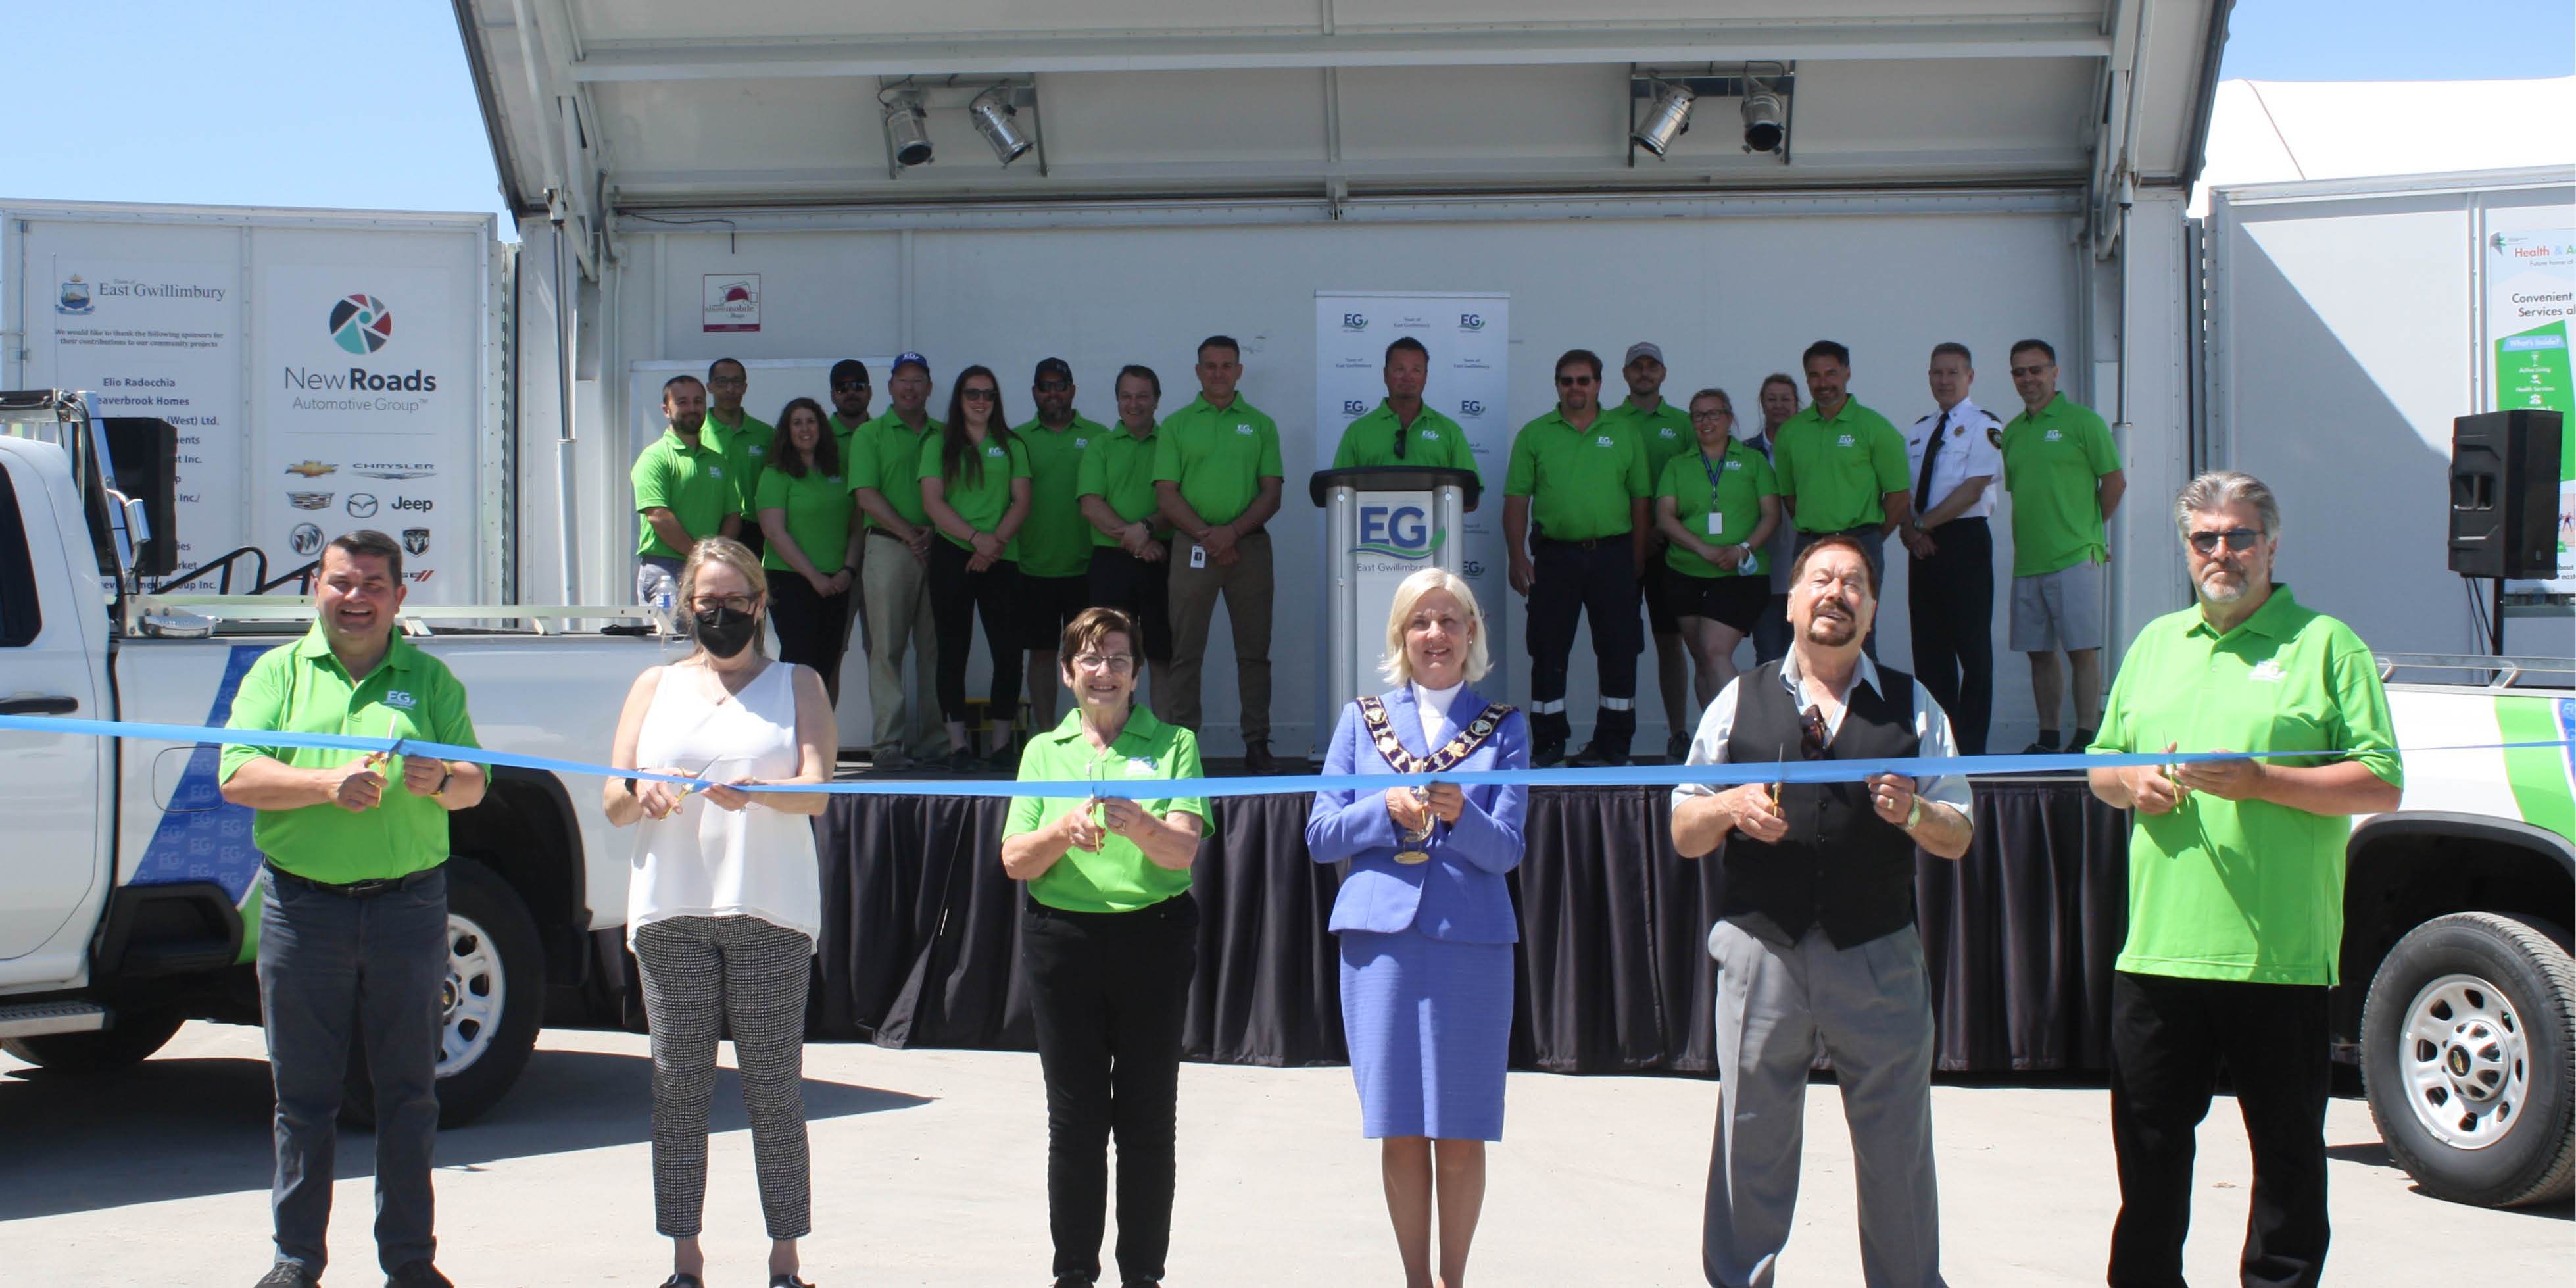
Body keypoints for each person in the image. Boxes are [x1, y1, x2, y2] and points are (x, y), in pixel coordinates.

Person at [2086, 472, 2401, 1288]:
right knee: (2147, 1157)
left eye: (2237, 536)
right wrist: (2133, 782)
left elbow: (2379, 782)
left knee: (2288, 1157)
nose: (2221, 552)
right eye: (2204, 539)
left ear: (2270, 543)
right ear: (2185, 549)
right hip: (2159, 950)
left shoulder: (2326, 643)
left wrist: (2263, 779)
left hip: (2276, 953)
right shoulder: (2154, 642)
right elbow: (2099, 765)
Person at [1669, 534, 1975, 1288]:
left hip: (1876, 952)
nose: (1835, 593)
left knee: (1896, 1144)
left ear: (1870, 609)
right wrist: (1731, 806)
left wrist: (1912, 814)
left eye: (1853, 584)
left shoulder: (1914, 704)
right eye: (1820, 579)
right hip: (1759, 948)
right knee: (1750, 1139)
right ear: (1793, 599)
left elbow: (1959, 832)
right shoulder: (1738, 697)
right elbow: (1681, 828)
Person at [220, 530, 488, 1288]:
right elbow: (236, 774)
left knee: (409, 1095)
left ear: (400, 597)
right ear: (316, 588)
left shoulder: (430, 679)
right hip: (304, 911)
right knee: (303, 1099)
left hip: (409, 909)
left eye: (373, 584)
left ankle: (409, 1260)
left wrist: (440, 779)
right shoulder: (278, 672)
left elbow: (475, 781)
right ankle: (296, 1259)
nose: (356, 597)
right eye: (342, 582)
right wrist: (323, 785)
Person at [603, 537, 835, 1288]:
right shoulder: (653, 684)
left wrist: (756, 789)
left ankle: (785, 1257)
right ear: (687, 605)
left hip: (765, 904)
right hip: (671, 905)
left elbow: (817, 790)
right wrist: (644, 788)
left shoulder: (799, 683)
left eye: (738, 601)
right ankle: (684, 1257)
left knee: (772, 1084)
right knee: (678, 1084)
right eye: (709, 602)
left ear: (760, 604)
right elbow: (611, 799)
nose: (724, 613)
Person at [1305, 568, 1528, 1288]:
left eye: (1450, 620)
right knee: (1399, 1127)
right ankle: (1413, 1279)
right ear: (1400, 636)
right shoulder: (1359, 718)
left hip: (1470, 939)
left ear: (1472, 633)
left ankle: (1454, 1279)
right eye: (1420, 622)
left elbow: (1508, 848)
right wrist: (1383, 809)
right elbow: (1320, 834)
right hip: (1381, 944)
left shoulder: (1506, 727)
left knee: (1460, 1132)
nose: (1435, 634)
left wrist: (1462, 813)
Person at [1000, 607, 1209, 1288]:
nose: (1104, 671)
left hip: (1152, 937)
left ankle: (1143, 1272)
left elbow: (1182, 849)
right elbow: (1015, 859)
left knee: (1148, 1117)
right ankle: (1073, 1271)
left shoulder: (1174, 742)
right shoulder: (1042, 751)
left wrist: (1139, 823)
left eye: (1118, 658)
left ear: (1137, 673)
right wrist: (1063, 830)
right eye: (1089, 658)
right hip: (1064, 944)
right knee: (1076, 1119)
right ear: (1067, 674)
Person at [1503, 347, 1651, 766]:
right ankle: (1549, 743)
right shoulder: (1535, 434)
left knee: (1619, 651)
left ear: (1599, 385)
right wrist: (1517, 555)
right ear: (1557, 386)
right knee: (1548, 650)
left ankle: (1614, 744)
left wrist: (1637, 560)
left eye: (1583, 380)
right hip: (1555, 558)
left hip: (1614, 556)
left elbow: (1641, 500)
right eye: (1567, 381)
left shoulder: (1624, 432)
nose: (1575, 388)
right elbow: (1516, 500)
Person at [1154, 335, 1286, 772]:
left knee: (1253, 651)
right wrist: (1209, 536)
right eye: (1209, 366)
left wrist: (1231, 532)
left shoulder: (1261, 424)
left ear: (1239, 371)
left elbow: (1271, 493)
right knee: (1185, 650)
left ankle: (1256, 742)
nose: (1218, 373)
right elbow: (1166, 494)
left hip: (1248, 548)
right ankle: (1184, 745)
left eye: (1226, 365)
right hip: (1192, 547)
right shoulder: (1175, 425)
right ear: (1197, 372)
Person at [2000, 338, 2126, 755]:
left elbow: (2114, 481)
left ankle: (2087, 733)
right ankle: (2049, 735)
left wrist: (2090, 529)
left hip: (2075, 556)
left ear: (2055, 372)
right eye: (2019, 371)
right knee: (2038, 654)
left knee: (2081, 651)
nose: (2028, 379)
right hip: (2029, 561)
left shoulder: (2083, 422)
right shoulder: (2013, 432)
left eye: (2036, 370)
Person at [921, 364, 1033, 770]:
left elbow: (1022, 500)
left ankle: (1002, 745)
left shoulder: (1012, 444)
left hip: (1003, 556)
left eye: (988, 394)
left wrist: (994, 543)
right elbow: (933, 502)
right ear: (959, 399)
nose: (981, 401)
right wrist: (975, 539)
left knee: (1007, 651)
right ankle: (958, 747)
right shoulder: (939, 444)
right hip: (954, 554)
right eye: (973, 394)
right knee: (953, 651)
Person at [1771, 340, 1910, 656]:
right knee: (1809, 631)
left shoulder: (1875, 428)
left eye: (1831, 373)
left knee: (1859, 634)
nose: (1824, 384)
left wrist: (1869, 537)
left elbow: (1899, 497)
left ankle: (1865, 706)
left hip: (1862, 542)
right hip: (1809, 543)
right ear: (1807, 379)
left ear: (1847, 373)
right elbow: (1790, 497)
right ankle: (1812, 707)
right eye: (1815, 376)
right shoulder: (1791, 433)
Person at [1654, 387, 1780, 724]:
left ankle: (1746, 733)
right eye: (1697, 415)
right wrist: (1704, 549)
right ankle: (1715, 744)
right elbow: (1664, 517)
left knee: (1714, 651)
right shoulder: (1678, 465)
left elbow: (1771, 514)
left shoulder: (1753, 461)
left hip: (1740, 573)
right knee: (1702, 658)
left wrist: (1743, 549)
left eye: (1713, 414)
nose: (1705, 421)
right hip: (1686, 572)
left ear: (1729, 418)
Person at [1901, 343, 2003, 756]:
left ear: (1970, 377)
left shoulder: (1985, 425)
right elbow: (1904, 494)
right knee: (1929, 650)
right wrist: (1910, 531)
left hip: (1964, 540)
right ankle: (1939, 747)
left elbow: (1974, 488)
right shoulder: (1919, 429)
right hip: (1922, 545)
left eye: (1952, 373)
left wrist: (1923, 525)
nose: (1943, 381)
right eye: (1936, 373)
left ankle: (1972, 748)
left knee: (1973, 651)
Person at [1599, 341, 1697, 760]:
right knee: (1618, 642)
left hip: (1670, 548)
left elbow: (1697, 477)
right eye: (1636, 366)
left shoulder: (1683, 423)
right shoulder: (1606, 422)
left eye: (1651, 366)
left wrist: (1664, 529)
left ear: (1663, 373)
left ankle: (1678, 733)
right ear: (1625, 375)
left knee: (1669, 641)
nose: (1644, 373)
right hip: (1620, 545)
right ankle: (1616, 733)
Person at [850, 352, 944, 769]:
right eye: (902, 380)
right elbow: (865, 494)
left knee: (937, 648)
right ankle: (887, 744)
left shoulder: (946, 434)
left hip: (941, 547)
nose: (910, 387)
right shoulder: (870, 434)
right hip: (889, 547)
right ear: (890, 387)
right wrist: (911, 533)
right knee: (886, 647)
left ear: (929, 387)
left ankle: (936, 743)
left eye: (918, 380)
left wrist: (933, 535)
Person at [1017, 358, 1108, 730]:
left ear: (1072, 390)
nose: (1052, 393)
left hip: (1086, 565)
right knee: (1040, 655)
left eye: (1060, 386)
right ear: (1035, 392)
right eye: (1045, 386)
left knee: (1089, 657)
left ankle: (1089, 732)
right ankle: (1045, 734)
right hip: (1031, 565)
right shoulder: (1017, 439)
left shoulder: (1100, 436)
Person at [1079, 365, 1176, 705]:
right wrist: (1138, 542)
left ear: (1157, 400)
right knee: (1111, 657)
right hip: (1111, 563)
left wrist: (1146, 532)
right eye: (1126, 396)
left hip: (1163, 558)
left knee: (1164, 655)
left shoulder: (1172, 442)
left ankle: (1163, 741)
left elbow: (1179, 502)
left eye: (1142, 396)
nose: (1134, 404)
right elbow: (1091, 505)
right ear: (1117, 400)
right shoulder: (1100, 446)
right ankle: (1117, 739)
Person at [756, 397, 860, 707]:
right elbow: (774, 531)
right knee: (799, 663)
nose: (805, 429)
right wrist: (814, 577)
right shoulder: (775, 474)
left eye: (811, 421)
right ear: (787, 431)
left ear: (822, 427)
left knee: (828, 662)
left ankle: (820, 743)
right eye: (797, 423)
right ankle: (791, 740)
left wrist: (848, 570)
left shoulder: (838, 471)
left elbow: (857, 526)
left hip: (837, 582)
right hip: (792, 581)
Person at [634, 373, 741, 607]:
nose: (692, 408)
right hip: (666, 570)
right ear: (666, 410)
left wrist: (714, 559)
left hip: (708, 569)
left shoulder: (718, 462)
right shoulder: (655, 457)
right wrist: (699, 557)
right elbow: (658, 516)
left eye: (698, 401)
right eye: (682, 402)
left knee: (708, 643)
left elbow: (732, 515)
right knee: (671, 643)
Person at [1330, 335, 1480, 486]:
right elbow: (1338, 492)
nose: (1408, 378)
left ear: (1426, 376)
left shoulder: (1450, 432)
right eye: (1400, 370)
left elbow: (1470, 498)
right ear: (1385, 375)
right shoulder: (1357, 432)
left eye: (1416, 370)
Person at [1742, 374, 1804, 666]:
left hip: (1803, 562)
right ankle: (1771, 712)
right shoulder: (1744, 453)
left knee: (1804, 656)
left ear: (1797, 404)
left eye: (1786, 399)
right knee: (1768, 655)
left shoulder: (1812, 448)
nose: (1778, 405)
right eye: (1772, 399)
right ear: (1762, 404)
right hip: (1763, 568)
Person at [706, 357, 774, 561]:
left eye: (736, 382)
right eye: (722, 382)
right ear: (709, 387)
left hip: (755, 531)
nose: (730, 389)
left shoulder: (766, 435)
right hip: (709, 528)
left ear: (745, 387)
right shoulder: (696, 434)